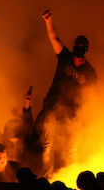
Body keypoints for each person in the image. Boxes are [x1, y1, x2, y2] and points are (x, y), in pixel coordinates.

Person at [35, 9, 97, 178]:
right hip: (53, 108)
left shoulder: (90, 72)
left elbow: (90, 96)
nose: (79, 54)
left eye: (83, 50)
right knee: (47, 145)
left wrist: (84, 119)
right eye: (78, 48)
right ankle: (47, 180)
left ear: (86, 51)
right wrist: (48, 22)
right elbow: (54, 38)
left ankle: (70, 179)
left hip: (73, 114)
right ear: (74, 48)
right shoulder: (65, 58)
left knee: (71, 148)